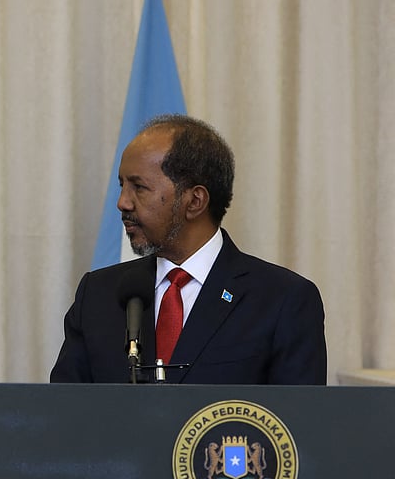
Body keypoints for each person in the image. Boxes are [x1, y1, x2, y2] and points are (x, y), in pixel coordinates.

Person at [49, 115, 327, 384]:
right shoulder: (98, 294)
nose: (123, 202)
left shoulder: (282, 300)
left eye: (139, 187)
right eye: (122, 186)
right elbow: (64, 414)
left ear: (195, 201)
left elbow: (296, 425)